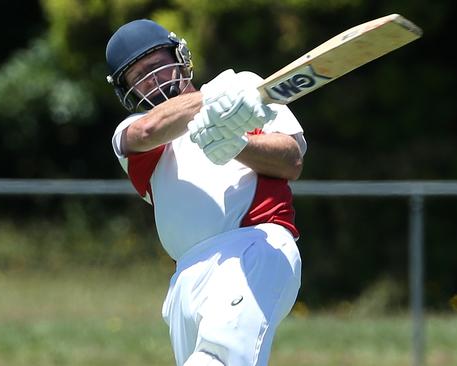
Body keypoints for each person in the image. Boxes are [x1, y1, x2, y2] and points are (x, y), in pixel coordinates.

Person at [105, 19, 307, 366]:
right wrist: (214, 103)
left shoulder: (242, 85)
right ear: (129, 93)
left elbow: (291, 161)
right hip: (185, 279)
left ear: (180, 57)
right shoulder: (131, 135)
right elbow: (149, 128)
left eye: (156, 65)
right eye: (138, 78)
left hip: (252, 245)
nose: (152, 80)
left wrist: (236, 145)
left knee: (218, 360)